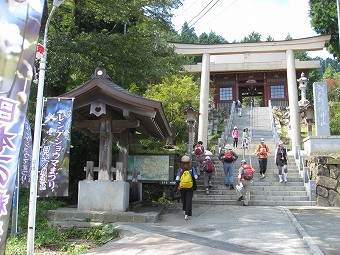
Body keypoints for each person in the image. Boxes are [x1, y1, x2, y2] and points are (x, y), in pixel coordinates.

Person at [175, 155, 198, 220]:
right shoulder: (192, 169)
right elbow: (196, 177)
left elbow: (177, 179)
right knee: (189, 200)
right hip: (190, 187)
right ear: (189, 162)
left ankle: (184, 210)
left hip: (182, 187)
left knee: (183, 199)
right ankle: (187, 214)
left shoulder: (180, 169)